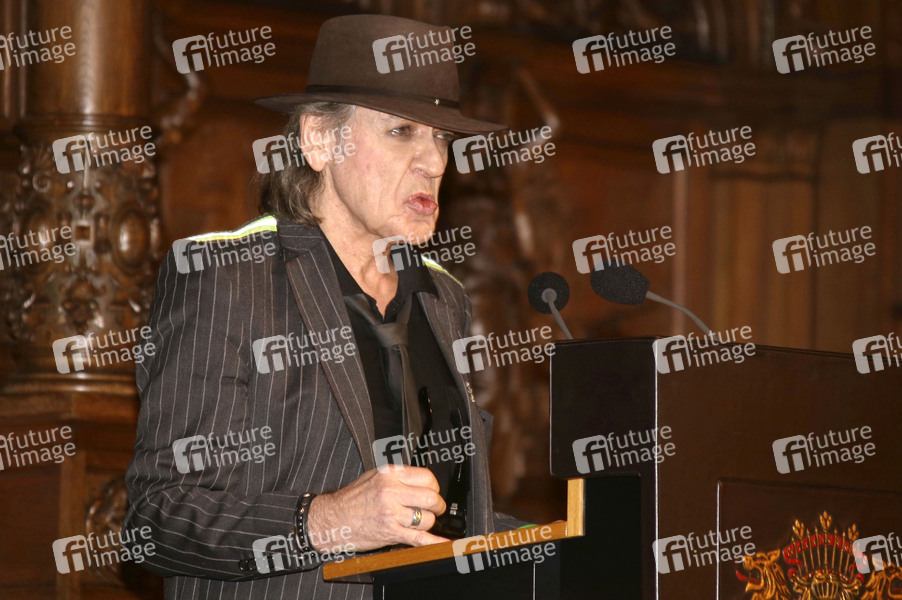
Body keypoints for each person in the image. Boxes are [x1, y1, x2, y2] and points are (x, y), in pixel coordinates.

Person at [124, 13, 523, 600]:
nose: (435, 162)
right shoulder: (226, 276)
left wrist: (557, 544)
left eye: (441, 137)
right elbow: (157, 519)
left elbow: (449, 521)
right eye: (401, 132)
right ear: (318, 140)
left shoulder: (443, 298)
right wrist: (330, 520)